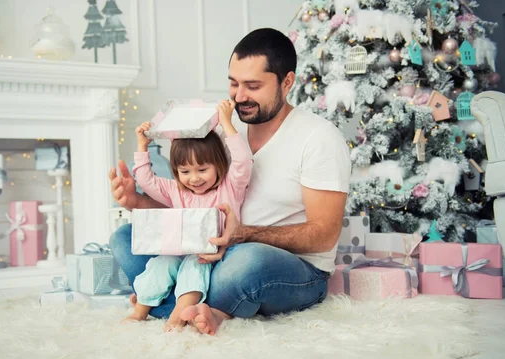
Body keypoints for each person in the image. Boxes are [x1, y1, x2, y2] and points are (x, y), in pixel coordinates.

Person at [109, 27, 351, 336]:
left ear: (287, 82)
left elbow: (324, 235)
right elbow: (189, 203)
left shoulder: (318, 137)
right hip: (206, 252)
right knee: (124, 238)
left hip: (288, 266)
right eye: (233, 83)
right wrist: (137, 201)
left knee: (246, 262)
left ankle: (165, 302)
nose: (239, 96)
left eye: (253, 85)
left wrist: (244, 235)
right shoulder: (221, 127)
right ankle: (197, 306)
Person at [123, 99, 252, 332]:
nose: (194, 178)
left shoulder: (230, 186)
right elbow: (146, 180)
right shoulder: (177, 189)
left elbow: (243, 160)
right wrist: (142, 146)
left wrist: (227, 124)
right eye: (185, 171)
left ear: (218, 164)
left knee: (195, 264)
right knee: (161, 264)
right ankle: (140, 312)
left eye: (203, 170)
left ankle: (177, 316)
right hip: (181, 252)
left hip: (214, 257)